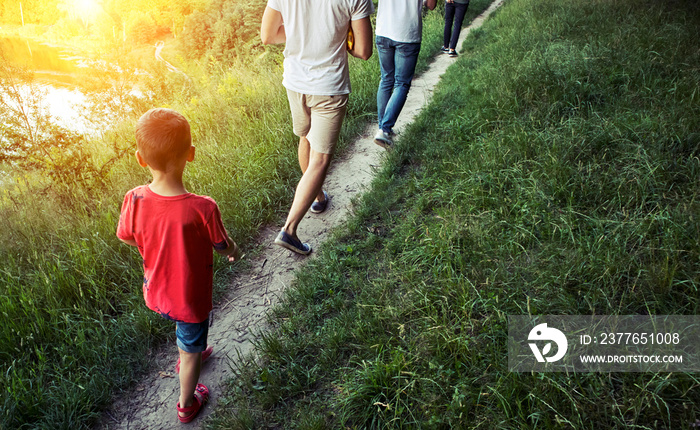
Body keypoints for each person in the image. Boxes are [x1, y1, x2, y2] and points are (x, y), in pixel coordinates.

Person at [116, 108, 241, 423]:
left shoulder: (135, 199)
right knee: (190, 345)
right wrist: (232, 250)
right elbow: (221, 244)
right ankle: (187, 402)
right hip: (188, 300)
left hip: (156, 291)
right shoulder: (202, 208)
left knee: (186, 334)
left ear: (140, 159)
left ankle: (191, 350)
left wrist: (151, 244)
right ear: (191, 154)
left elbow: (127, 236)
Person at [260, 0, 373, 255]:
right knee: (320, 159)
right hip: (328, 85)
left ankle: (319, 197)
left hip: (295, 83)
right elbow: (364, 50)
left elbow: (267, 35)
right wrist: (337, 34)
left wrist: (303, 35)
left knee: (305, 139)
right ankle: (289, 230)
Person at [374, 0, 437, 149]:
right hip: (406, 34)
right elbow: (431, 5)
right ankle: (385, 130)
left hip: (383, 30)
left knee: (386, 79)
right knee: (401, 83)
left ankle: (383, 128)